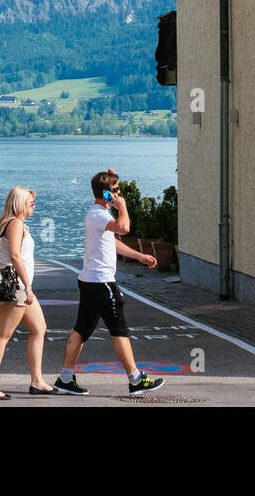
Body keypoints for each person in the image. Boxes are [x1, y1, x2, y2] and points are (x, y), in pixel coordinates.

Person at [54, 169, 164, 396]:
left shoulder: (97, 216)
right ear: (106, 194)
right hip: (102, 283)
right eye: (115, 191)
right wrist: (122, 206)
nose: (119, 193)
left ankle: (65, 378)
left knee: (81, 330)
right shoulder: (99, 215)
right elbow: (125, 228)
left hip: (89, 281)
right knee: (119, 330)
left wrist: (140, 256)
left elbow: (113, 242)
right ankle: (135, 380)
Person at [0, 186, 55, 399]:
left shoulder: (17, 224)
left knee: (39, 328)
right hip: (19, 288)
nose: (34, 206)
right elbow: (14, 255)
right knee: (2, 336)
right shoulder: (15, 224)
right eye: (31, 203)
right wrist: (27, 286)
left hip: (22, 287)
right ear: (21, 204)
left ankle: (37, 381)